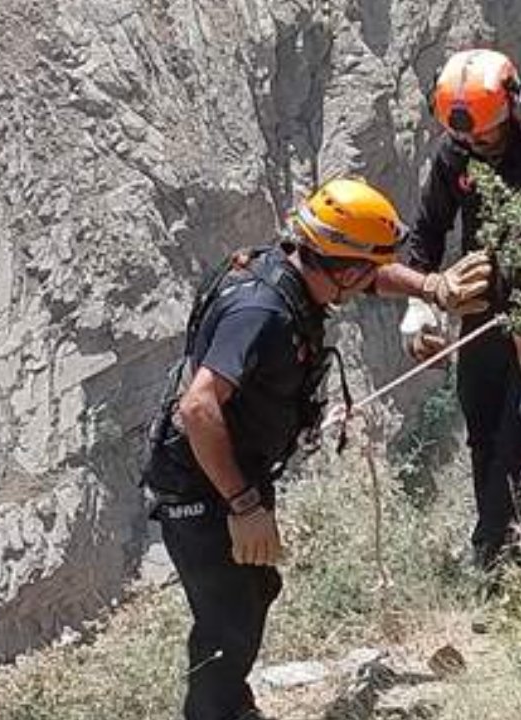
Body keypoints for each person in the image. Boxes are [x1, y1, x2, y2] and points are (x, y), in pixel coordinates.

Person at [140, 178, 406, 720]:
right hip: (204, 486)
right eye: (366, 270)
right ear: (345, 267)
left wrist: (432, 289)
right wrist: (243, 506)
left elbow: (372, 280)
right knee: (228, 620)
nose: (368, 282)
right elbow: (198, 407)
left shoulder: (283, 270)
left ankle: (234, 708)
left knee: (253, 590)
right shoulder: (261, 312)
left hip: (228, 471)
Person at [374, 48, 521, 569]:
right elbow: (427, 231)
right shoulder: (456, 155)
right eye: (468, 138)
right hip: (483, 317)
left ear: (514, 107)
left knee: (518, 435)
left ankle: (492, 554)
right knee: (483, 432)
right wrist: (424, 300)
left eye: (486, 135)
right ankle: (505, 543)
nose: (478, 146)